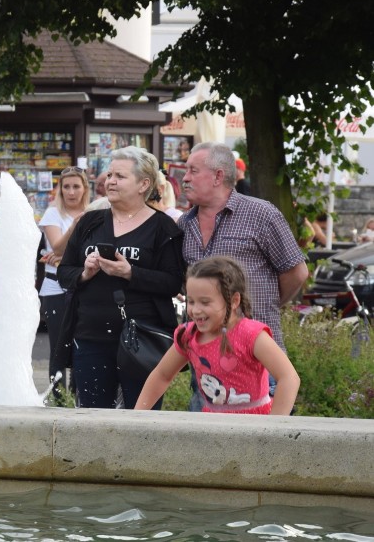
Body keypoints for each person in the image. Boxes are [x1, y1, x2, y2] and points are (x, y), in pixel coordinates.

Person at [57, 147, 185, 410]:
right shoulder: (89, 222)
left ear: (144, 184)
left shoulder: (163, 227)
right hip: (91, 336)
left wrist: (130, 273)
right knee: (93, 421)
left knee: (141, 423)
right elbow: (64, 271)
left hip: (142, 340)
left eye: (120, 176)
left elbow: (173, 282)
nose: (109, 181)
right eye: (110, 174)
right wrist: (84, 273)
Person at [178, 142, 308, 354]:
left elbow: (297, 273)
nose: (185, 178)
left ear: (218, 176)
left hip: (256, 352)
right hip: (204, 354)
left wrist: (261, 307)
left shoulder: (261, 214)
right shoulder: (185, 223)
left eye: (193, 171)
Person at [136, 256, 300, 415]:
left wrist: (274, 427)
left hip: (255, 426)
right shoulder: (188, 335)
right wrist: (136, 415)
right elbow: (162, 375)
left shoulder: (252, 335)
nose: (195, 310)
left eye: (205, 302)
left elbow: (289, 377)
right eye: (191, 301)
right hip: (213, 426)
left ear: (234, 301)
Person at [38, 166, 91, 392]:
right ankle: (57, 399)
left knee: (82, 346)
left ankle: (77, 398)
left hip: (83, 284)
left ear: (84, 188)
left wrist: (62, 257)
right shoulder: (53, 213)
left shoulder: (93, 211)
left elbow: (88, 251)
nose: (71, 192)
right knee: (59, 347)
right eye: (66, 187)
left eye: (76, 186)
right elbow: (57, 245)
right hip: (54, 287)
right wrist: (75, 225)